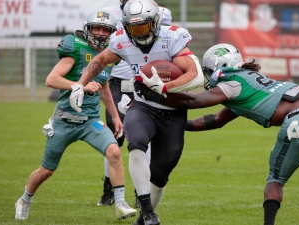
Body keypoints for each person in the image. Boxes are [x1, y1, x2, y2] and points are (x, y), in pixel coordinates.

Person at [134, 43, 299, 225]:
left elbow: (194, 101)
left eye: (209, 71)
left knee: (274, 180)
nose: (209, 77)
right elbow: (217, 120)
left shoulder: (232, 82)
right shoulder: (251, 79)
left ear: (219, 67)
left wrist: (160, 92)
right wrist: (178, 126)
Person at [68, 0, 204, 224]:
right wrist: (79, 84)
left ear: (156, 22)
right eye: (133, 28)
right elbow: (100, 60)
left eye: (143, 27)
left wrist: (167, 87)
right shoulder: (121, 40)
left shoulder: (172, 37)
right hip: (143, 105)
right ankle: (149, 211)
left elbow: (196, 74)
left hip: (173, 109)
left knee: (161, 174)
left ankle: (144, 219)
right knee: (137, 143)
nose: (138, 33)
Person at [14, 10, 137, 221]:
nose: (99, 33)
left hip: (90, 122)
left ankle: (120, 203)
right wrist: (79, 85)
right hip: (64, 121)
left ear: (111, 33)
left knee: (114, 153)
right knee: (46, 170)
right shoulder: (76, 50)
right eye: (96, 28)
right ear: (88, 30)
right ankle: (25, 199)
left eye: (104, 29)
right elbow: (51, 79)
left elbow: (105, 88)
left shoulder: (109, 56)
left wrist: (115, 117)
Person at [98, 0, 173, 208]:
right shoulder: (108, 12)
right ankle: (109, 188)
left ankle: (142, 192)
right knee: (114, 137)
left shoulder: (160, 13)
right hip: (116, 82)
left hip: (145, 82)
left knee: (142, 139)